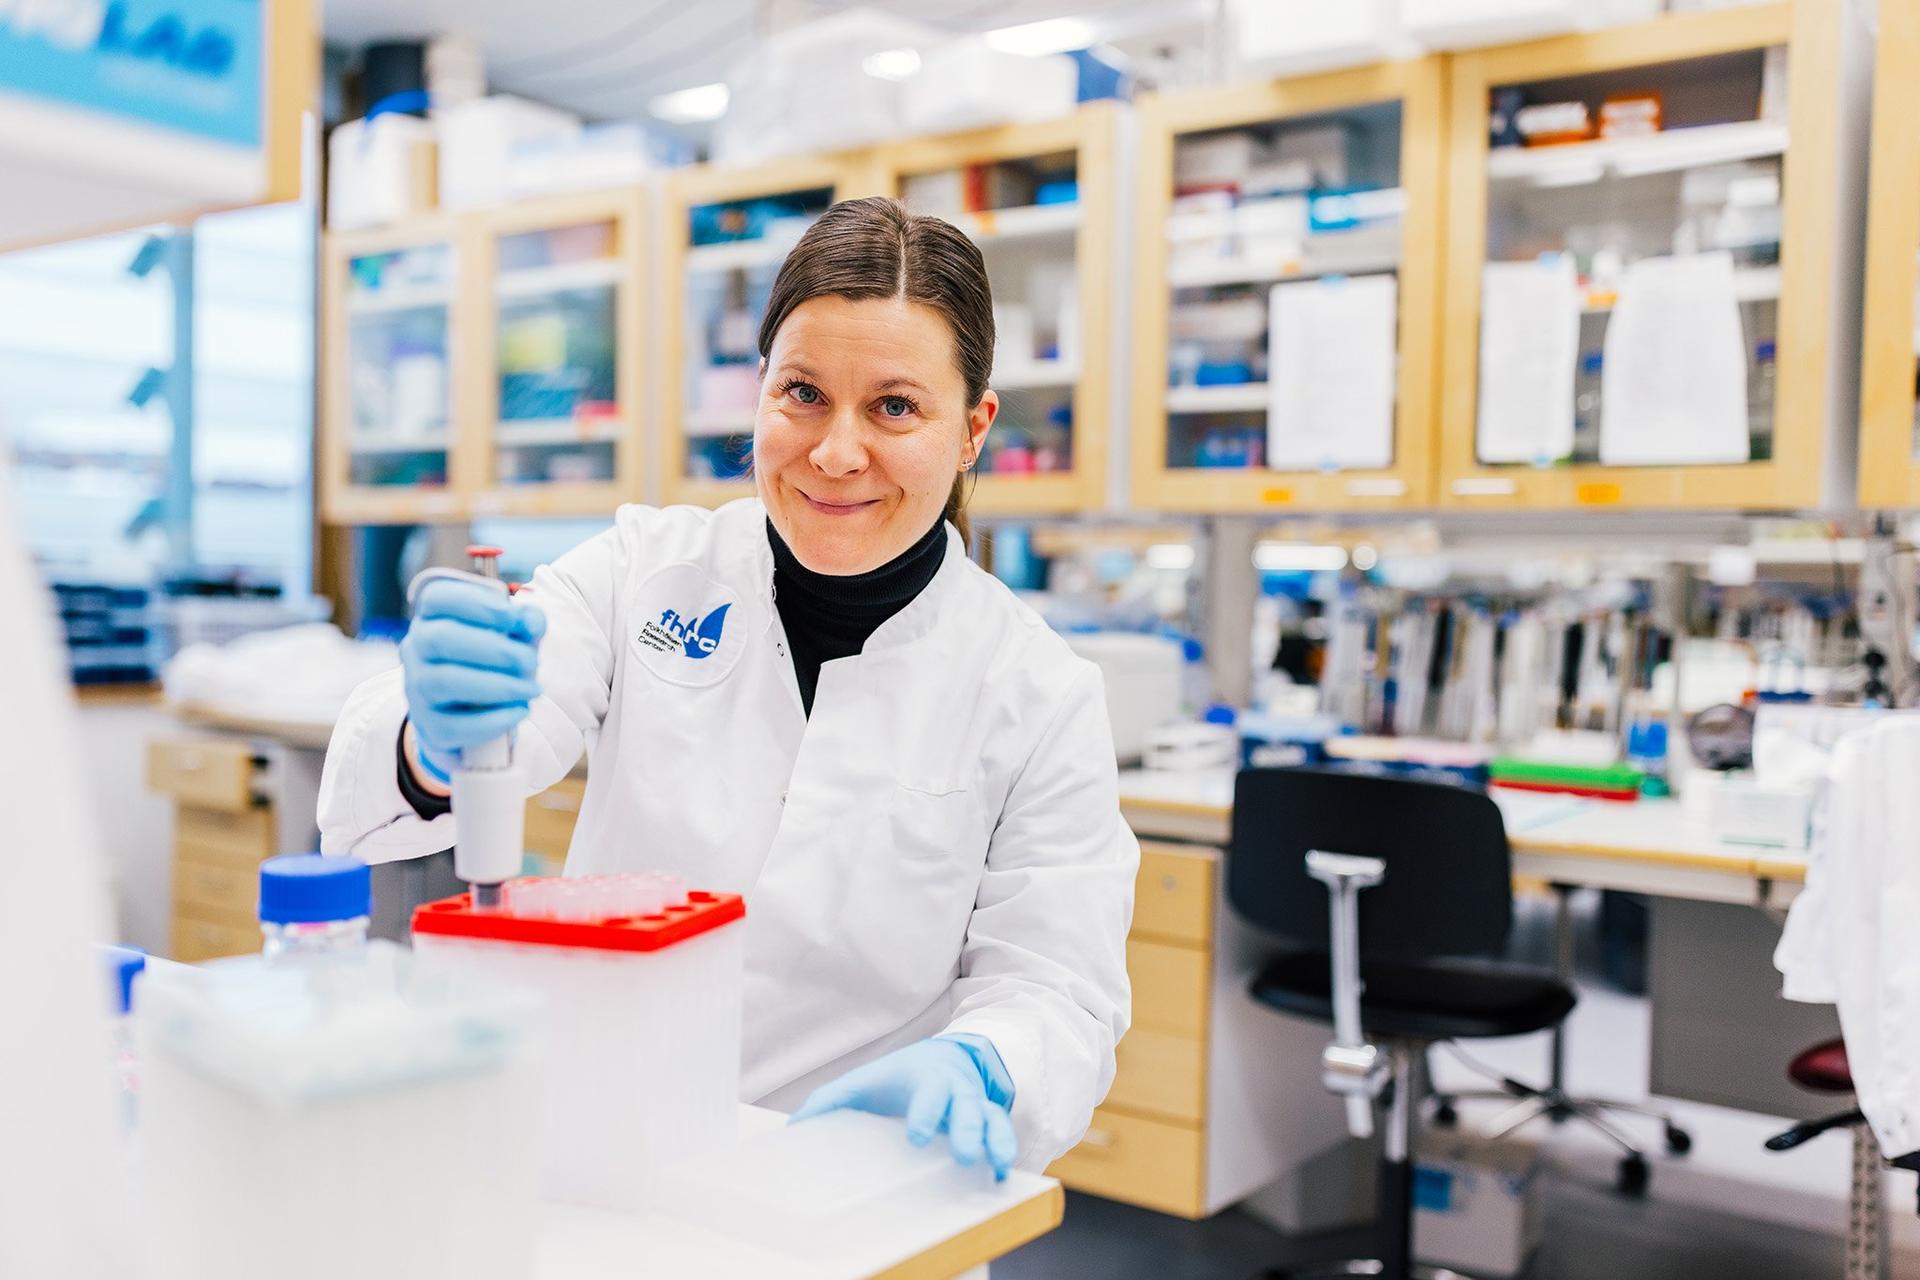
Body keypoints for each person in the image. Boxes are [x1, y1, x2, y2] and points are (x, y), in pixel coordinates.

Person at [318, 197, 1137, 1179]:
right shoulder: (640, 569)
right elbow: (480, 744)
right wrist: (433, 737)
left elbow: (1059, 989)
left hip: (857, 1182)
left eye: (894, 406)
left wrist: (985, 1061)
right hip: (605, 1152)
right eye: (802, 393)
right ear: (759, 392)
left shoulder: (1037, 688)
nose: (836, 451)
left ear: (971, 429)